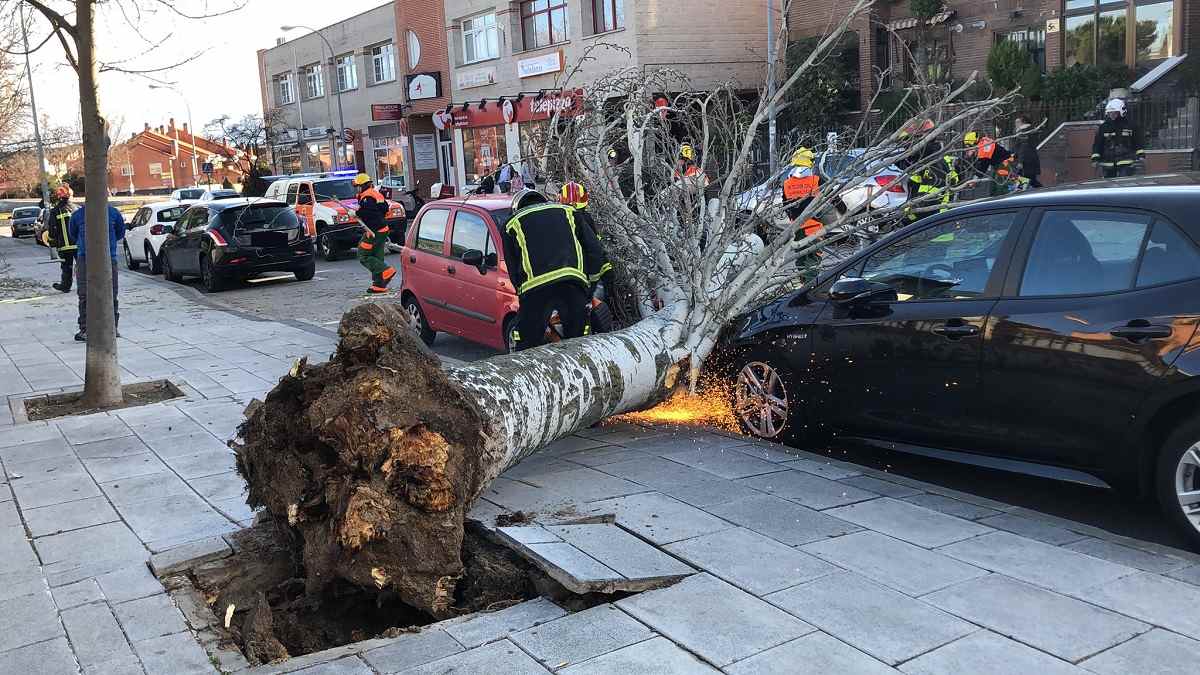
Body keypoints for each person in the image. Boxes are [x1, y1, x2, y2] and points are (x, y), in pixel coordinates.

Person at [502, 189, 609, 351]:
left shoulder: (511, 223)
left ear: (517, 207)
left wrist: (523, 295)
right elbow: (595, 250)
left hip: (535, 288)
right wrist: (590, 287)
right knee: (579, 342)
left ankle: (530, 372)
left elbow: (513, 269)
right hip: (572, 282)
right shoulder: (569, 212)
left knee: (527, 343)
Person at [67, 198, 126, 342]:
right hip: (85, 258)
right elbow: (73, 235)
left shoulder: (113, 213)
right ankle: (86, 328)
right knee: (85, 294)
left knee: (111, 293)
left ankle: (112, 327)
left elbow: (120, 232)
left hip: (108, 257)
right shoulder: (78, 216)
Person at [352, 173, 396, 294]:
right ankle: (379, 285)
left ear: (363, 186)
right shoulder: (376, 194)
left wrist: (357, 213)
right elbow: (385, 209)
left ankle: (386, 270)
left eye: (358, 186)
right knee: (377, 256)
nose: (357, 189)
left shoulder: (367, 197)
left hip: (374, 231)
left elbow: (369, 212)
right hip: (382, 228)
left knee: (363, 255)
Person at [1092, 98, 1144, 178]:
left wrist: (1141, 155)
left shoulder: (1131, 125)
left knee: (1124, 184)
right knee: (1109, 187)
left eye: (1114, 113)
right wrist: (1095, 158)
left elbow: (1138, 142)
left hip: (1126, 161)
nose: (1112, 115)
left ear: (1122, 112)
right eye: (1110, 113)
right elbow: (1098, 143)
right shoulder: (1104, 127)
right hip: (1107, 162)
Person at [781, 147, 823, 238]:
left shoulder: (786, 183)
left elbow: (785, 205)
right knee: (815, 250)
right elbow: (832, 196)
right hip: (814, 225)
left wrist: (792, 217)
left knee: (799, 250)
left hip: (796, 226)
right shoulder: (816, 180)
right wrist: (843, 210)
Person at [45, 186, 77, 293]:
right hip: (78, 245)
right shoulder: (77, 208)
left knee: (67, 267)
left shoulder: (55, 211)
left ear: (59, 197)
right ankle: (86, 284)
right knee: (83, 266)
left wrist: (52, 242)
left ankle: (65, 286)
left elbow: (52, 229)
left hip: (64, 246)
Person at [1012, 116, 1042, 189]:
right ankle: (1044, 191)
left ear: (1023, 122)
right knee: (1032, 180)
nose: (1016, 124)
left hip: (1026, 161)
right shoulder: (1030, 131)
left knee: (1023, 182)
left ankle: (1019, 195)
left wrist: (1020, 162)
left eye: (1017, 122)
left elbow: (1023, 147)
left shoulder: (1023, 132)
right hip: (1031, 160)